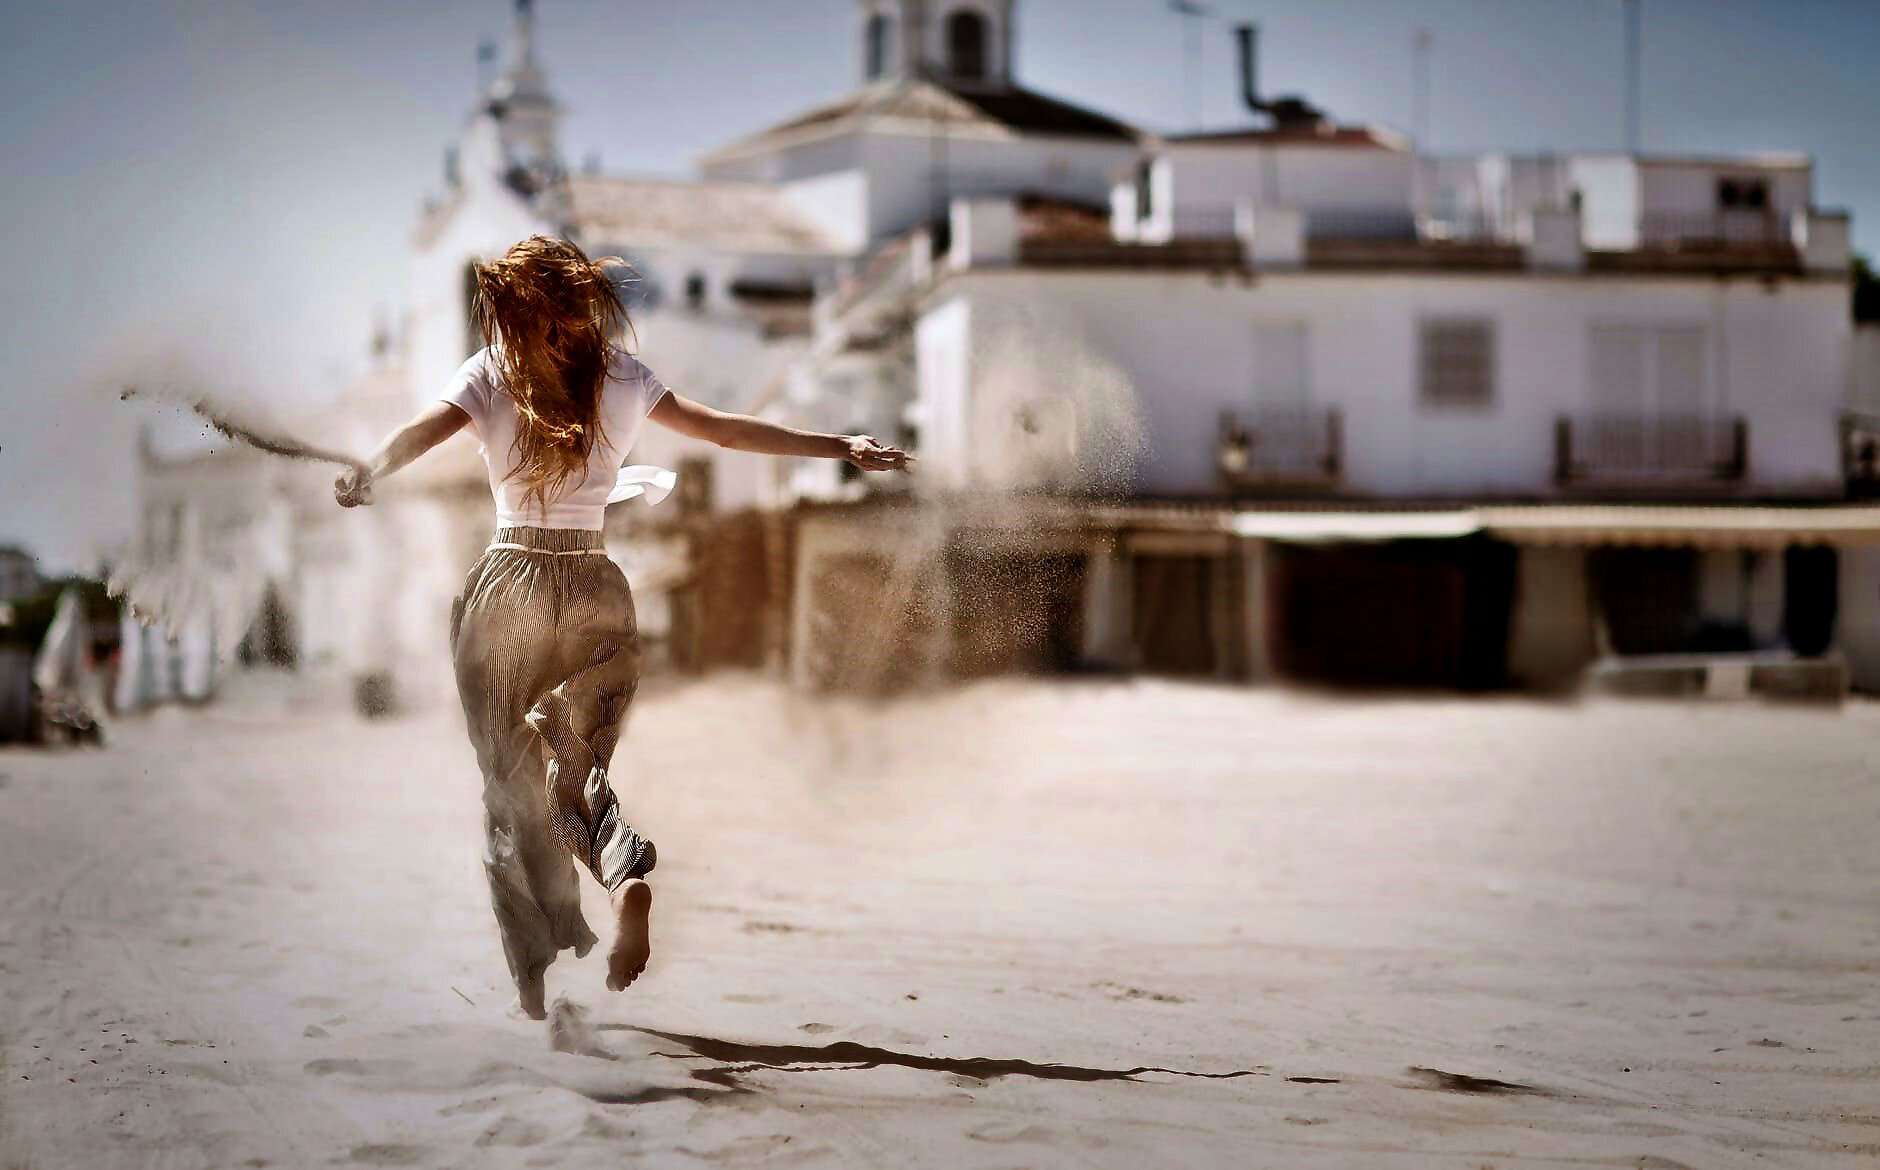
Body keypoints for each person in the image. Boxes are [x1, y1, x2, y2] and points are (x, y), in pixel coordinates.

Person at [334, 235, 909, 1018]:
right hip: (596, 582)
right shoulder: (623, 378)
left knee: (509, 787)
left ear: (512, 308)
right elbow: (728, 433)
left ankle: (534, 995)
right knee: (574, 767)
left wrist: (369, 468)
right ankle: (623, 875)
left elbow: (421, 433)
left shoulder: (492, 373)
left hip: (511, 584)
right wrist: (841, 445)